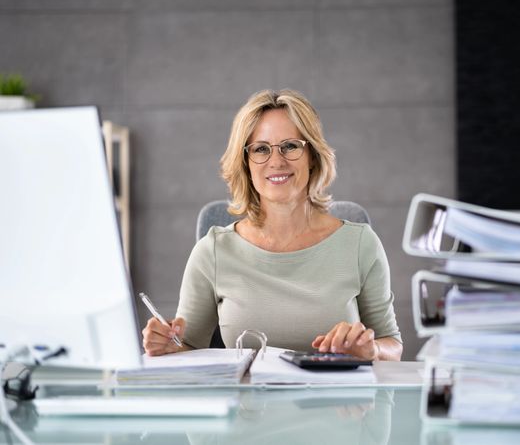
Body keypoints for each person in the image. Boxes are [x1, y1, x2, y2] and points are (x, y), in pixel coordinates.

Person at [142, 89, 403, 361]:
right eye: (260, 149)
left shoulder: (360, 244)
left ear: (312, 156)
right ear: (246, 163)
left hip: (337, 402)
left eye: (290, 146)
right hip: (247, 402)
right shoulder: (212, 251)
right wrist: (166, 346)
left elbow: (392, 345)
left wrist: (371, 349)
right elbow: (186, 350)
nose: (276, 161)